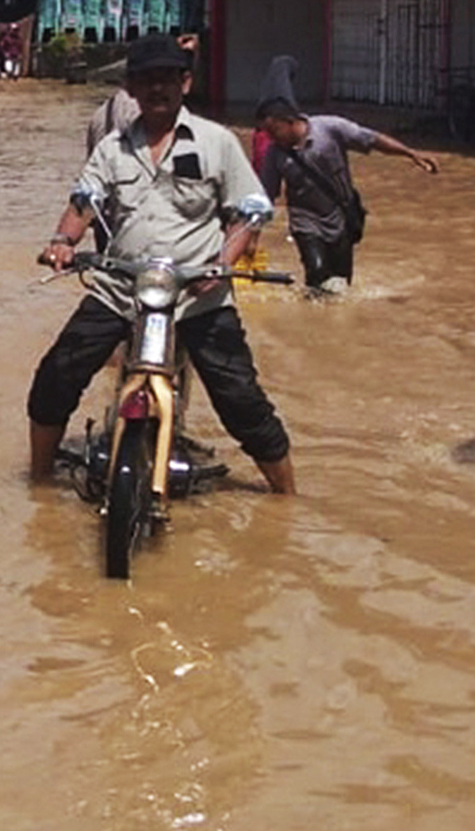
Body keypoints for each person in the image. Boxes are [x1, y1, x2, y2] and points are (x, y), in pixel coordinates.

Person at [29, 34, 298, 494]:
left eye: (168, 79)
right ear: (130, 88)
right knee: (56, 376)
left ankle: (287, 498)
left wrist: (221, 263)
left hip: (198, 295)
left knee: (241, 400)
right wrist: (62, 241)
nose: (158, 89)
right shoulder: (112, 148)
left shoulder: (217, 142)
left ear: (186, 83)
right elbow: (83, 201)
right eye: (147, 80)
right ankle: (37, 481)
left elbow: (249, 211)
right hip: (121, 290)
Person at [255, 98, 439, 292]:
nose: (272, 139)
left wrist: (411, 154)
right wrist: (253, 238)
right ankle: (315, 314)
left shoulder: (329, 128)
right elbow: (266, 196)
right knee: (316, 273)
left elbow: (372, 139)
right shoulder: (275, 154)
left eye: (274, 131)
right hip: (305, 220)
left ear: (290, 121)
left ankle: (333, 317)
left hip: (341, 215)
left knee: (340, 282)